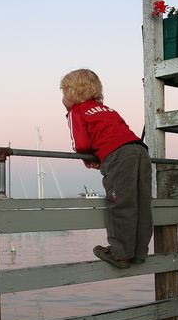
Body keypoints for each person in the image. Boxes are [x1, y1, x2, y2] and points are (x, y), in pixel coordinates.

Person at [60, 68, 153, 269]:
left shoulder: (76, 112)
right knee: (141, 202)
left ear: (72, 93)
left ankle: (119, 254)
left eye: (63, 92)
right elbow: (118, 134)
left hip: (119, 156)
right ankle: (138, 253)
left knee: (119, 202)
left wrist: (87, 158)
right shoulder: (108, 110)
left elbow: (81, 144)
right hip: (140, 151)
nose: (62, 98)